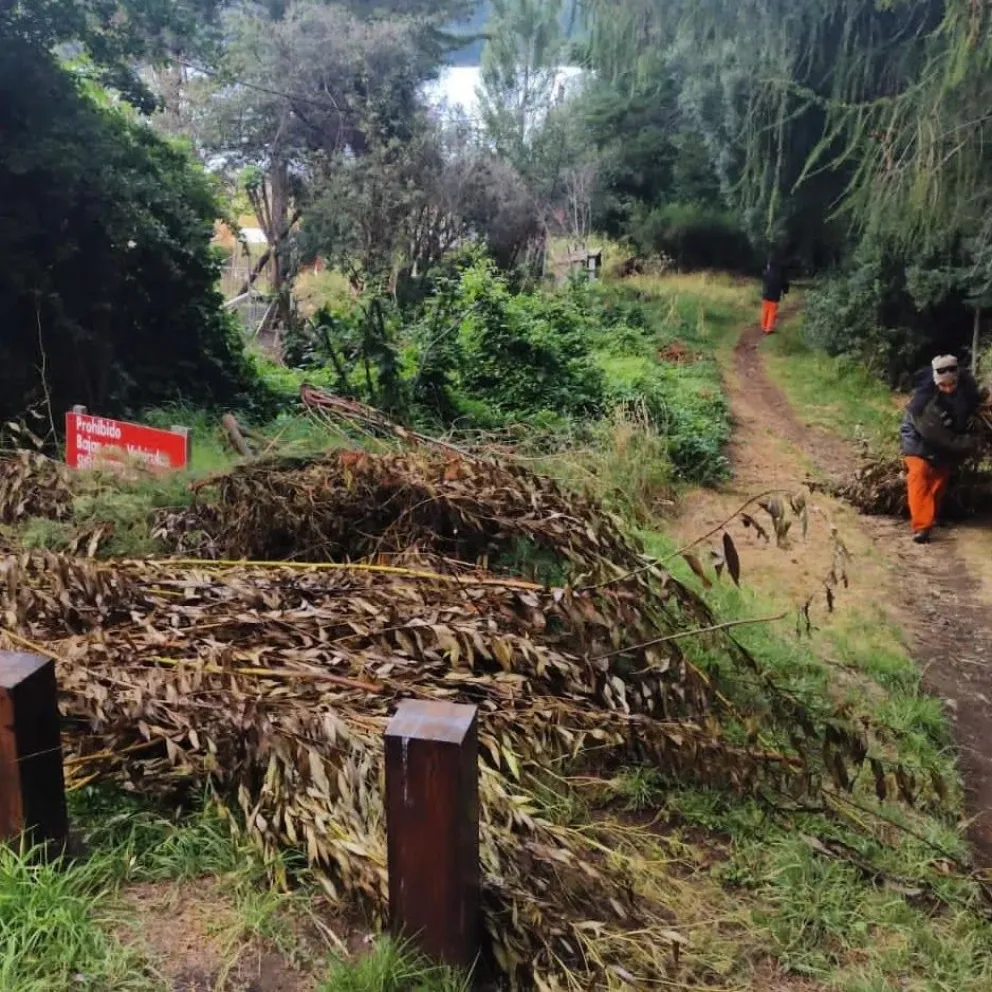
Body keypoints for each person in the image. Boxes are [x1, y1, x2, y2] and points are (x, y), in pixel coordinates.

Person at [900, 355, 983, 544]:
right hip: (919, 438)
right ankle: (922, 527)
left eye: (951, 385)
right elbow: (943, 439)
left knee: (940, 479)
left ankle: (932, 515)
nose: (947, 389)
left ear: (958, 380)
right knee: (919, 474)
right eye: (943, 386)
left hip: (945, 439)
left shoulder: (966, 390)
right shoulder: (925, 404)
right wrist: (973, 442)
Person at [760, 258, 789, 334]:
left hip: (765, 296)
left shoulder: (766, 273)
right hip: (775, 297)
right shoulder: (780, 275)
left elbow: (764, 279)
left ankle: (763, 326)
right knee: (772, 312)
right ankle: (769, 329)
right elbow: (785, 284)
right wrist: (785, 292)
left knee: (765, 311)